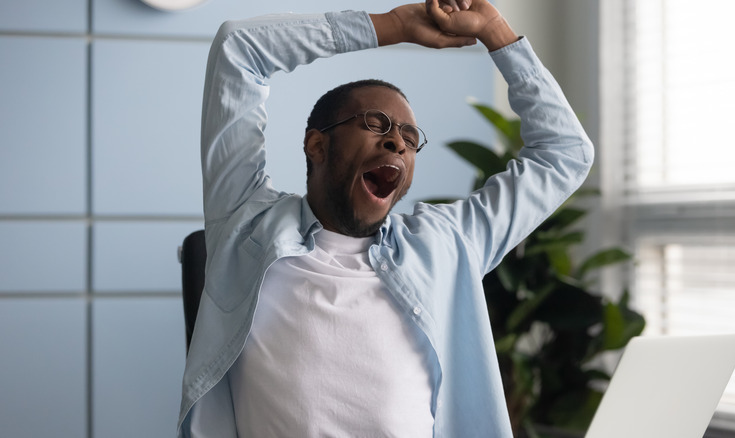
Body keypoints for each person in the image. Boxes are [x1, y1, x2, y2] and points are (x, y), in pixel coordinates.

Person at [178, 0, 594, 436]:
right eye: (375, 123)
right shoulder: (246, 222)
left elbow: (566, 153)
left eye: (410, 138)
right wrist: (390, 26)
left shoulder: (447, 244)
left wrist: (498, 34)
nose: (397, 141)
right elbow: (238, 48)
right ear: (317, 146)